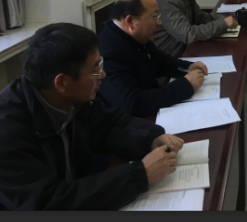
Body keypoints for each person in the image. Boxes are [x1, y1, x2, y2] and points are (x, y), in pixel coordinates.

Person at [0, 23, 185, 210]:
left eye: (100, 64)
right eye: (95, 69)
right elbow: (49, 203)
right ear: (62, 82)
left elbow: (109, 124)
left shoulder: (73, 98)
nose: (102, 74)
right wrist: (139, 175)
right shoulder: (8, 131)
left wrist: (151, 138)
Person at [98, 0, 207, 117]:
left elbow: (160, 61)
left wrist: (188, 66)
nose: (159, 22)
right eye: (154, 17)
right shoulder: (108, 53)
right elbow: (133, 103)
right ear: (130, 21)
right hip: (128, 122)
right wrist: (186, 85)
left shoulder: (134, 35)